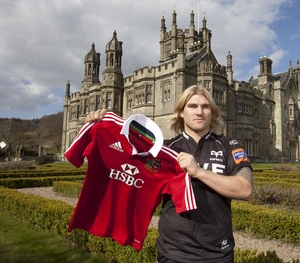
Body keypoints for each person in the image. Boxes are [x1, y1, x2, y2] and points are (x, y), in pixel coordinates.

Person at [87, 85, 253, 262]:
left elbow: (245, 189)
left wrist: (199, 172)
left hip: (218, 252)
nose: (200, 112)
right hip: (173, 252)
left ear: (212, 112)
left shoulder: (228, 145)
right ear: (181, 112)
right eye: (192, 106)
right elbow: (122, 166)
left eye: (205, 107)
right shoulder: (165, 149)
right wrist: (101, 130)